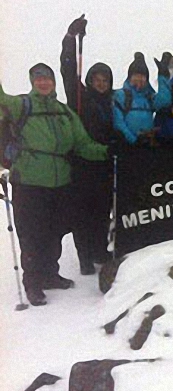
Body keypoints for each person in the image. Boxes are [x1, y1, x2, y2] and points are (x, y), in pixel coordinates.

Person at [0, 64, 108, 306]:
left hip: (60, 182)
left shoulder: (64, 112)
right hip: (29, 182)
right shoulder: (22, 106)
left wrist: (107, 152)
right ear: (32, 82)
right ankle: (33, 283)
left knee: (55, 231)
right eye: (38, 79)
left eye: (47, 78)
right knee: (32, 233)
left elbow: (82, 145)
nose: (43, 83)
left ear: (53, 82)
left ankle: (50, 274)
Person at [60, 15, 119, 274]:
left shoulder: (114, 100)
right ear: (90, 81)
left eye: (105, 80)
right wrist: (70, 39)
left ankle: (98, 249)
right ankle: (84, 256)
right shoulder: (79, 96)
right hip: (82, 163)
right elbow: (67, 70)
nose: (101, 83)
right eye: (97, 79)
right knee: (82, 212)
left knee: (101, 209)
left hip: (105, 163)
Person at [112, 52, 172, 145]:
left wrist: (162, 76)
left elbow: (165, 101)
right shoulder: (121, 95)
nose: (139, 78)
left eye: (143, 76)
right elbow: (118, 122)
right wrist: (134, 140)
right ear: (130, 77)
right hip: (128, 147)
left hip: (147, 144)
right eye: (136, 75)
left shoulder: (148, 96)